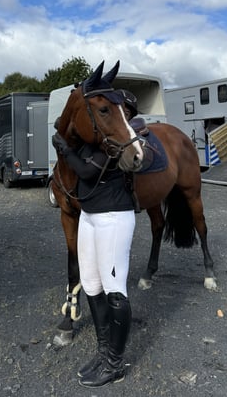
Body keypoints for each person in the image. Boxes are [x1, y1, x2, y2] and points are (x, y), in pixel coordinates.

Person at [51, 100, 138, 387]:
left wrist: (63, 147)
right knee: (90, 284)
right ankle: (103, 353)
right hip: (89, 216)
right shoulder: (92, 135)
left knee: (114, 289)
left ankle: (115, 364)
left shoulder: (113, 138)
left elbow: (87, 172)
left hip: (113, 217)